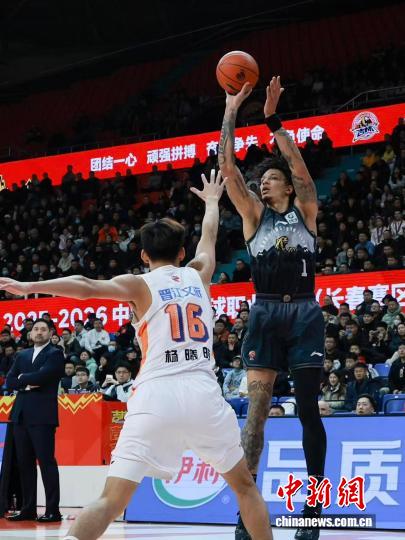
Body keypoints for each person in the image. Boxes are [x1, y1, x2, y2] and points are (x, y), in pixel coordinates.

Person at [0, 171, 273, 540]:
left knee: (110, 501)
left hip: (156, 395)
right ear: (181, 253)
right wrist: (212, 202)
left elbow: (85, 287)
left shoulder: (138, 285)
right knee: (245, 488)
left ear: (144, 255)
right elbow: (208, 238)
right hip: (202, 392)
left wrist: (30, 286)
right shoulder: (199, 272)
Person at [219, 75, 326, 540]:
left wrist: (272, 120)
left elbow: (298, 164)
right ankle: (247, 513)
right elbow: (228, 169)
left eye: (272, 178)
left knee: (308, 411)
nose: (264, 183)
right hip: (263, 314)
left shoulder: (305, 209)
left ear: (288, 187)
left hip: (303, 313)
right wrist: (230, 110)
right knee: (256, 414)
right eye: (262, 180)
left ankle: (314, 510)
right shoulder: (253, 216)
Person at [5, 318, 65, 522]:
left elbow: (44, 377)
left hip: (42, 416)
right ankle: (28, 508)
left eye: (43, 329)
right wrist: (27, 382)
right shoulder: (22, 354)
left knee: (46, 462)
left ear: (51, 333)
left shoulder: (55, 353)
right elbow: (9, 381)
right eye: (36, 329)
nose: (39, 332)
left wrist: (23, 379)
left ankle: (53, 510)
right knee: (24, 464)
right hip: (20, 414)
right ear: (31, 333)